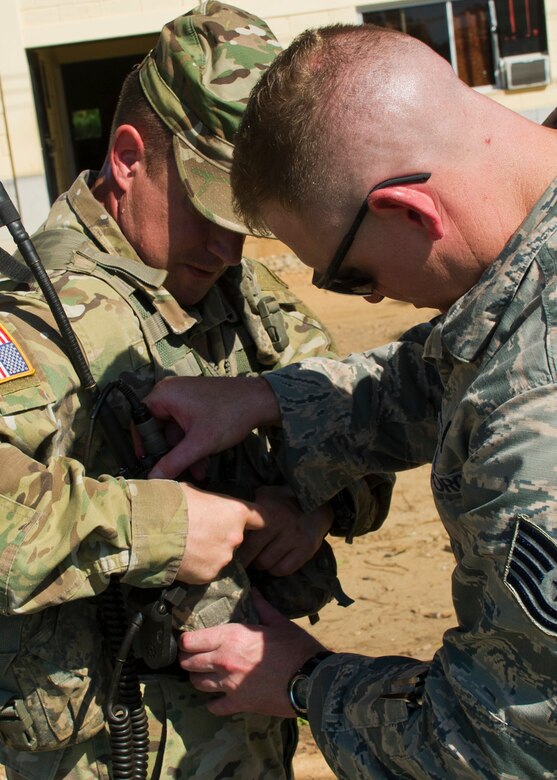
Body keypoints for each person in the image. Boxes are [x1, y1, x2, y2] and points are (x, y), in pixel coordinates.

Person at [143, 22, 557, 780]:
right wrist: (269, 397)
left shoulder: (533, 432)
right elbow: (451, 369)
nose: (369, 295)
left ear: (408, 210)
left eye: (346, 275)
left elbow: (502, 749)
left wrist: (306, 682)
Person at [0, 6, 388, 779]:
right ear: (127, 156)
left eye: (245, 219)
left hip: (250, 732)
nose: (227, 244)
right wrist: (167, 527)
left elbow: (365, 433)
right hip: (108, 749)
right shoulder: (30, 317)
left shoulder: (236, 290)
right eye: (208, 209)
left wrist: (316, 510)